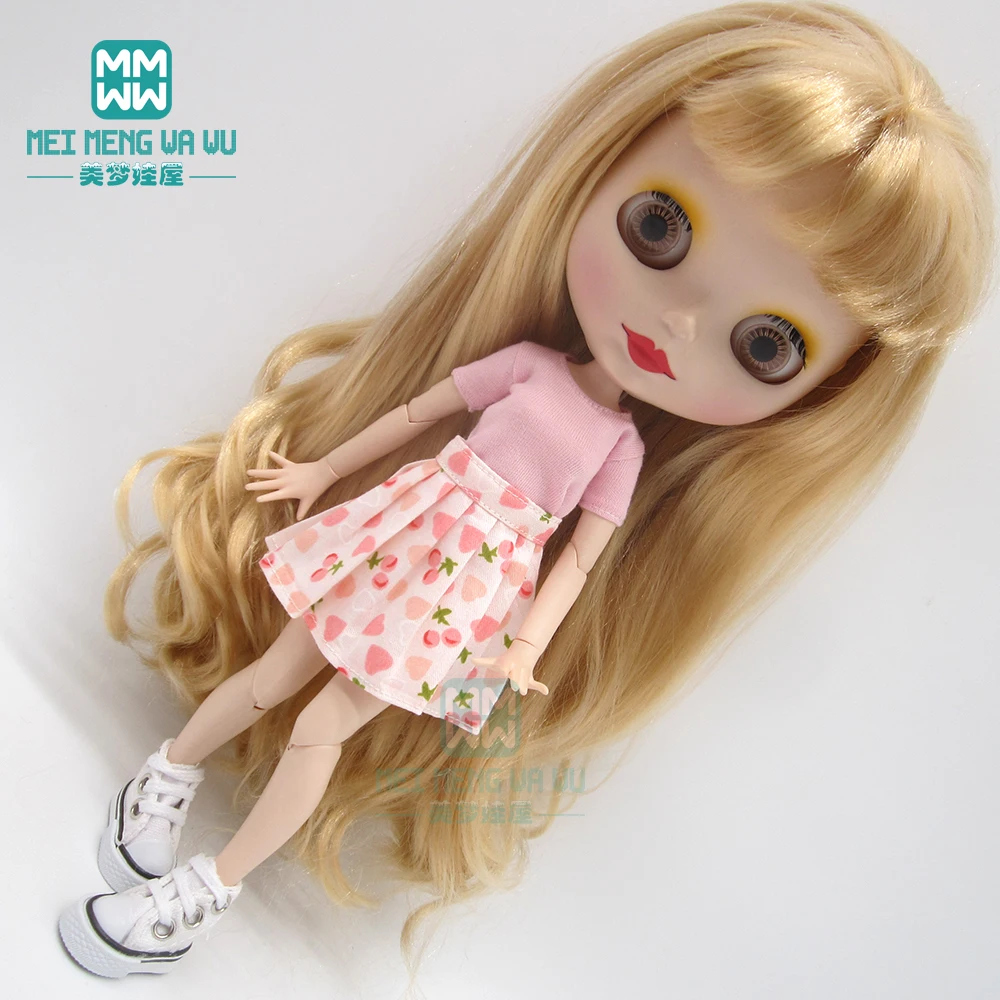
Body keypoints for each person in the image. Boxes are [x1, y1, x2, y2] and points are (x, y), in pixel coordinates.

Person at [57, 1, 996, 979]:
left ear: (824, 395)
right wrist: (323, 470)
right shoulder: (526, 369)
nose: (678, 321)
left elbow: (581, 557)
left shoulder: (618, 453)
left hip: (466, 598)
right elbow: (418, 412)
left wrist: (524, 645)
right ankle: (162, 779)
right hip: (402, 529)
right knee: (272, 679)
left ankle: (205, 891)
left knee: (321, 730)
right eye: (659, 226)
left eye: (767, 345)